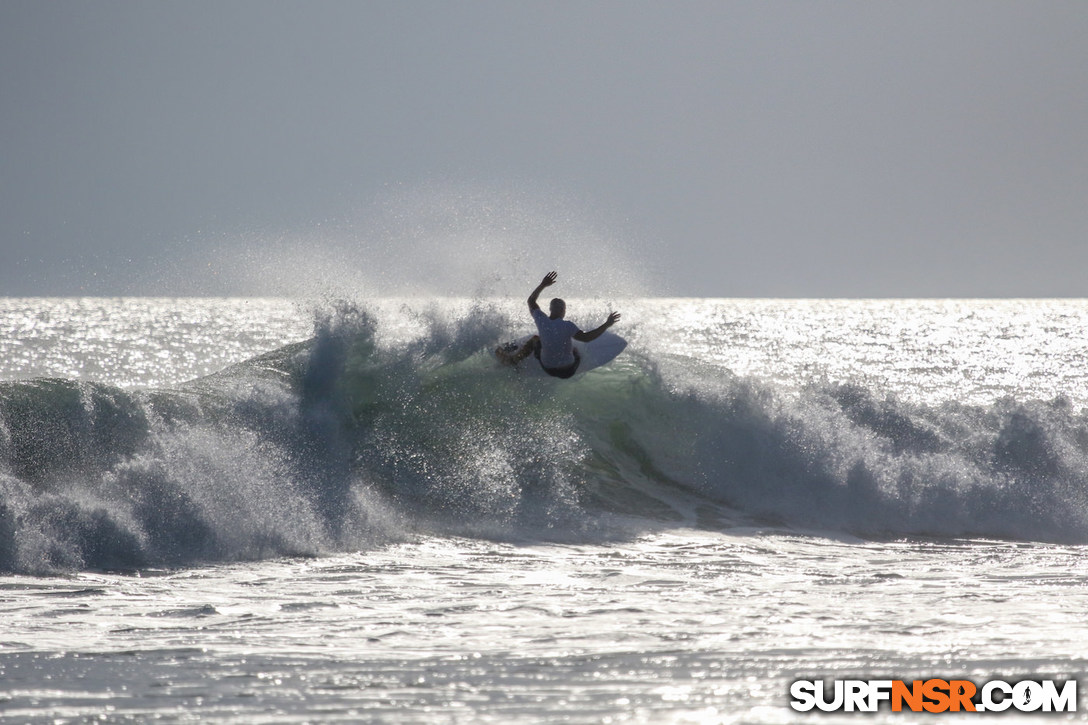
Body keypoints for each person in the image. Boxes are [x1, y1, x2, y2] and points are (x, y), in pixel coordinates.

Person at [498, 271, 621, 379]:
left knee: (536, 339)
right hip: (568, 371)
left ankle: (515, 360)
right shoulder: (568, 326)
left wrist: (543, 285)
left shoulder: (541, 319)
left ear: (550, 309)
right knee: (575, 351)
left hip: (547, 368)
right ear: (564, 311)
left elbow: (531, 301)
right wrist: (606, 324)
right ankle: (572, 355)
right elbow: (586, 338)